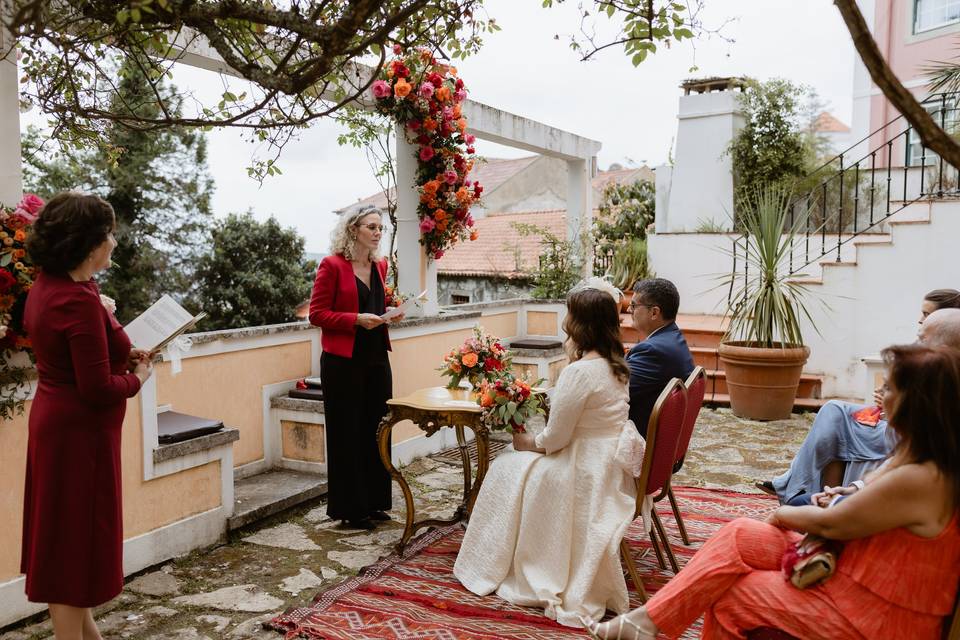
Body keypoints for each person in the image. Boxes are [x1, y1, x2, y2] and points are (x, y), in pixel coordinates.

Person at [584, 341, 960, 640]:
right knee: (739, 534)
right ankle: (645, 623)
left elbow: (833, 525)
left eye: (890, 387)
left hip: (877, 612)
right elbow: (862, 506)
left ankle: (645, 625)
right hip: (854, 571)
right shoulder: (912, 453)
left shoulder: (924, 475)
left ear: (916, 403)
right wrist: (847, 492)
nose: (880, 393)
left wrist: (782, 513)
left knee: (732, 599)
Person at [454, 279, 645, 627]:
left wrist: (526, 442)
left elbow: (555, 438)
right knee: (515, 466)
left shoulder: (579, 372)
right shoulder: (617, 364)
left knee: (507, 466)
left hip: (583, 468)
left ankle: (500, 560)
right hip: (608, 465)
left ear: (580, 323)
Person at [20, 192, 154, 639]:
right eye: (109, 234)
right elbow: (97, 388)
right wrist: (138, 378)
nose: (114, 242)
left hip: (62, 426)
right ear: (89, 242)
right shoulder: (74, 299)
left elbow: (90, 349)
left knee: (71, 540)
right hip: (78, 436)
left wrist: (124, 351)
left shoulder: (59, 285)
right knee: (71, 549)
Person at [757, 288, 960, 505]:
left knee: (838, 425)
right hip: (886, 417)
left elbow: (922, 421)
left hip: (896, 426)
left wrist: (894, 405)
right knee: (834, 410)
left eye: (926, 315)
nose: (920, 321)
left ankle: (798, 491)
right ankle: (820, 494)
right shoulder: (923, 349)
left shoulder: (943, 367)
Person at [309, 205, 403, 531]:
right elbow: (317, 314)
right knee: (347, 434)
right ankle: (351, 510)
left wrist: (390, 312)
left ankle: (376, 502)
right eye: (372, 227)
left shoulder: (379, 266)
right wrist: (355, 320)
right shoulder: (332, 265)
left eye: (380, 228)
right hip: (342, 363)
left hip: (377, 358)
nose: (378, 233)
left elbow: (374, 306)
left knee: (378, 429)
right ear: (354, 230)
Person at [625, 278, 694, 438]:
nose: (629, 309)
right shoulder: (672, 338)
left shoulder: (653, 351)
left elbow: (615, 393)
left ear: (654, 312)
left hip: (639, 438)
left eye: (634, 305)